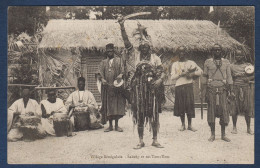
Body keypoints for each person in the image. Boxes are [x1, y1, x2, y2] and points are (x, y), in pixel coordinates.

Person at [118, 17, 165, 149]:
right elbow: (127, 42)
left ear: (150, 47)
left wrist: (159, 80)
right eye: (142, 46)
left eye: (147, 46)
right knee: (139, 115)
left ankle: (155, 140)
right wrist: (122, 26)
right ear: (140, 47)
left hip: (152, 91)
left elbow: (162, 72)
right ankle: (140, 140)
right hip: (138, 90)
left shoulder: (155, 59)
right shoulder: (135, 56)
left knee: (154, 116)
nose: (144, 48)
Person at [203, 44, 233, 142]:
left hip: (223, 90)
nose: (217, 52)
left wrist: (231, 90)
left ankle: (223, 135)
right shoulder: (207, 62)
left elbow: (229, 77)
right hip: (211, 89)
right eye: (215, 50)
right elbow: (204, 77)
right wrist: (202, 91)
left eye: (219, 50)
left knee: (224, 111)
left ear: (221, 51)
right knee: (211, 111)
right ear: (212, 51)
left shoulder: (226, 62)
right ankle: (212, 134)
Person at [171, 46, 202, 132]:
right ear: (177, 54)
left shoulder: (191, 63)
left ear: (186, 53)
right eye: (179, 52)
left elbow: (200, 71)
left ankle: (190, 125)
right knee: (181, 106)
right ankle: (182, 124)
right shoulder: (175, 64)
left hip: (188, 85)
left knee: (189, 105)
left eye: (183, 52)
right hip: (179, 86)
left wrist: (191, 74)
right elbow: (172, 77)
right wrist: (180, 74)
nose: (181, 54)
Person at [99, 43, 126, 132]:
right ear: (106, 52)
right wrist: (102, 79)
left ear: (113, 51)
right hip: (107, 87)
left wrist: (121, 75)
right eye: (108, 51)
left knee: (117, 105)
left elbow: (123, 71)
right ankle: (110, 126)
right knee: (108, 106)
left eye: (111, 51)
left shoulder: (119, 60)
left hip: (117, 87)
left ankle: (117, 125)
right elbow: (100, 74)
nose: (109, 53)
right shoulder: (103, 62)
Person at [230, 50, 254, 135]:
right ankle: (234, 127)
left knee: (247, 108)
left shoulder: (248, 65)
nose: (238, 57)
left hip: (245, 88)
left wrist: (248, 79)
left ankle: (248, 128)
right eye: (237, 55)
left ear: (243, 56)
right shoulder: (231, 66)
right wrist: (231, 88)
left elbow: (254, 74)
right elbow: (228, 77)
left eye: (240, 55)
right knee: (234, 109)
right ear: (235, 56)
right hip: (235, 88)